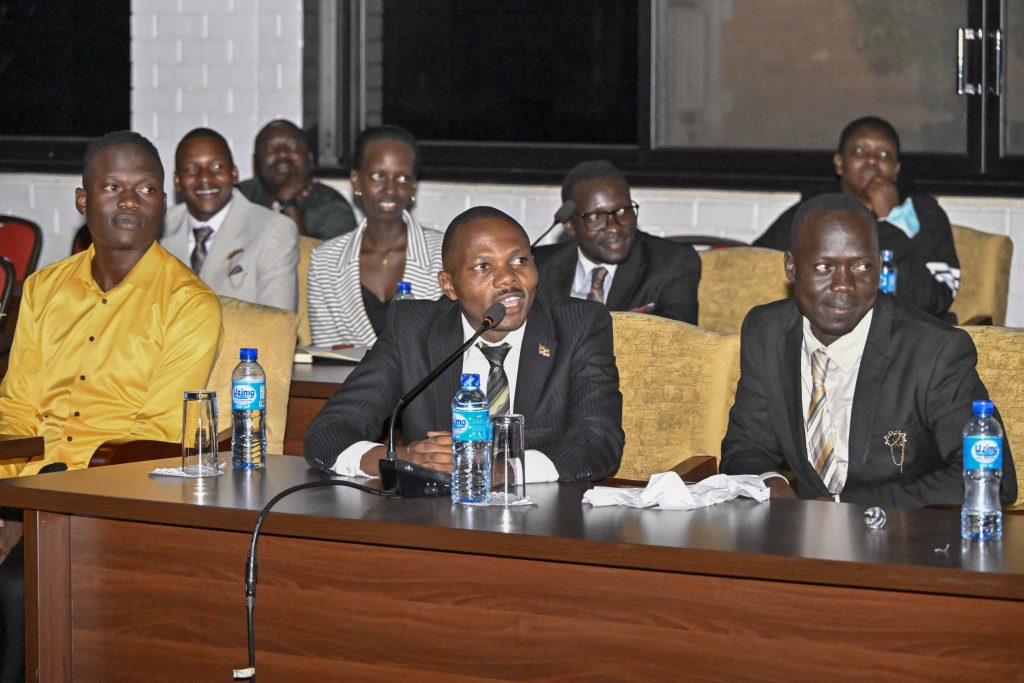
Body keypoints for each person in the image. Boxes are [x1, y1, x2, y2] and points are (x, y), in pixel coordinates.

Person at [0, 131, 223, 682]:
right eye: (112, 187)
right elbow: (16, 410)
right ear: (83, 201)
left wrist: (34, 508)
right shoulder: (42, 290)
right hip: (24, 484)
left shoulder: (189, 304)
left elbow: (155, 435)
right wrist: (9, 500)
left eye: (146, 188)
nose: (129, 201)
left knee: (16, 584)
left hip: (112, 493)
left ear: (163, 204)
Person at [721, 193, 1016, 508]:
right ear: (791, 268)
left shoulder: (935, 352)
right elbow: (745, 446)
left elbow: (991, 478)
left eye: (861, 266)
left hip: (905, 543)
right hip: (800, 543)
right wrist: (772, 483)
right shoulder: (767, 332)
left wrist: (843, 505)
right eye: (824, 266)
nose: (844, 284)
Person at [304, 206, 624, 483]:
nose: (508, 279)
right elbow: (329, 431)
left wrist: (504, 470)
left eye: (519, 261)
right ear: (449, 286)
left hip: (543, 522)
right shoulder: (412, 330)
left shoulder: (578, 326)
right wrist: (398, 460)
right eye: (484, 267)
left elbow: (598, 439)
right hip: (436, 523)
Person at [753, 116, 960, 320]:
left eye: (884, 154)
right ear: (840, 163)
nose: (872, 160)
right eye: (860, 151)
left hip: (908, 336)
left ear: (896, 169)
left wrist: (891, 219)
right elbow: (753, 265)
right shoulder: (814, 213)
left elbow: (933, 301)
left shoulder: (925, 213)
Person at [307, 125, 443, 346]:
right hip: (346, 381)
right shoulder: (325, 261)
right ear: (356, 181)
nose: (390, 189)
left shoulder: (444, 253)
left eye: (402, 178)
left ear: (413, 186)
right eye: (378, 176)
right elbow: (328, 354)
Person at [533, 160, 701, 323]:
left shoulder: (673, 263)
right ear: (569, 225)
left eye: (623, 211)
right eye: (596, 217)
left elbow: (679, 342)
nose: (614, 227)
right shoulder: (538, 266)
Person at [161, 127, 299, 311]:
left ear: (234, 174)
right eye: (191, 169)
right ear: (177, 181)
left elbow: (277, 325)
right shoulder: (155, 229)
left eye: (217, 167)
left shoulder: (273, 230)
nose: (205, 179)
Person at [237, 119, 357, 239]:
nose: (282, 154)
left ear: (310, 159)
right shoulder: (237, 198)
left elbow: (322, 257)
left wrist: (288, 204)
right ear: (255, 162)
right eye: (271, 148)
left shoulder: (332, 206)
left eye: (293, 146)